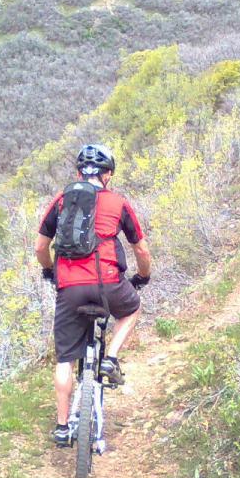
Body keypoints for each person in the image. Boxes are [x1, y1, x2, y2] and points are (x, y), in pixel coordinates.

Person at [34, 144, 151, 447]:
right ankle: (110, 358)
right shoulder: (118, 203)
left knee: (64, 359)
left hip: (69, 288)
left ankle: (62, 428)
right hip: (108, 284)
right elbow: (140, 248)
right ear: (108, 174)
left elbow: (40, 248)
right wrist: (143, 276)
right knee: (131, 309)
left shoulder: (61, 201)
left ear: (78, 173)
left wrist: (50, 272)